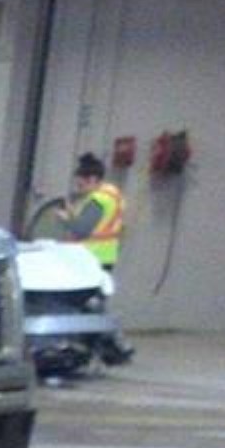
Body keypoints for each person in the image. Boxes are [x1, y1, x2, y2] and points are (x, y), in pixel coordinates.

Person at [55, 153, 135, 366]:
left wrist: (65, 221)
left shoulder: (97, 201)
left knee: (88, 308)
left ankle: (109, 346)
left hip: (90, 261)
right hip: (103, 258)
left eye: (80, 182)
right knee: (95, 305)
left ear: (91, 180)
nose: (77, 186)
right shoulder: (111, 196)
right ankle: (110, 346)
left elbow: (82, 231)